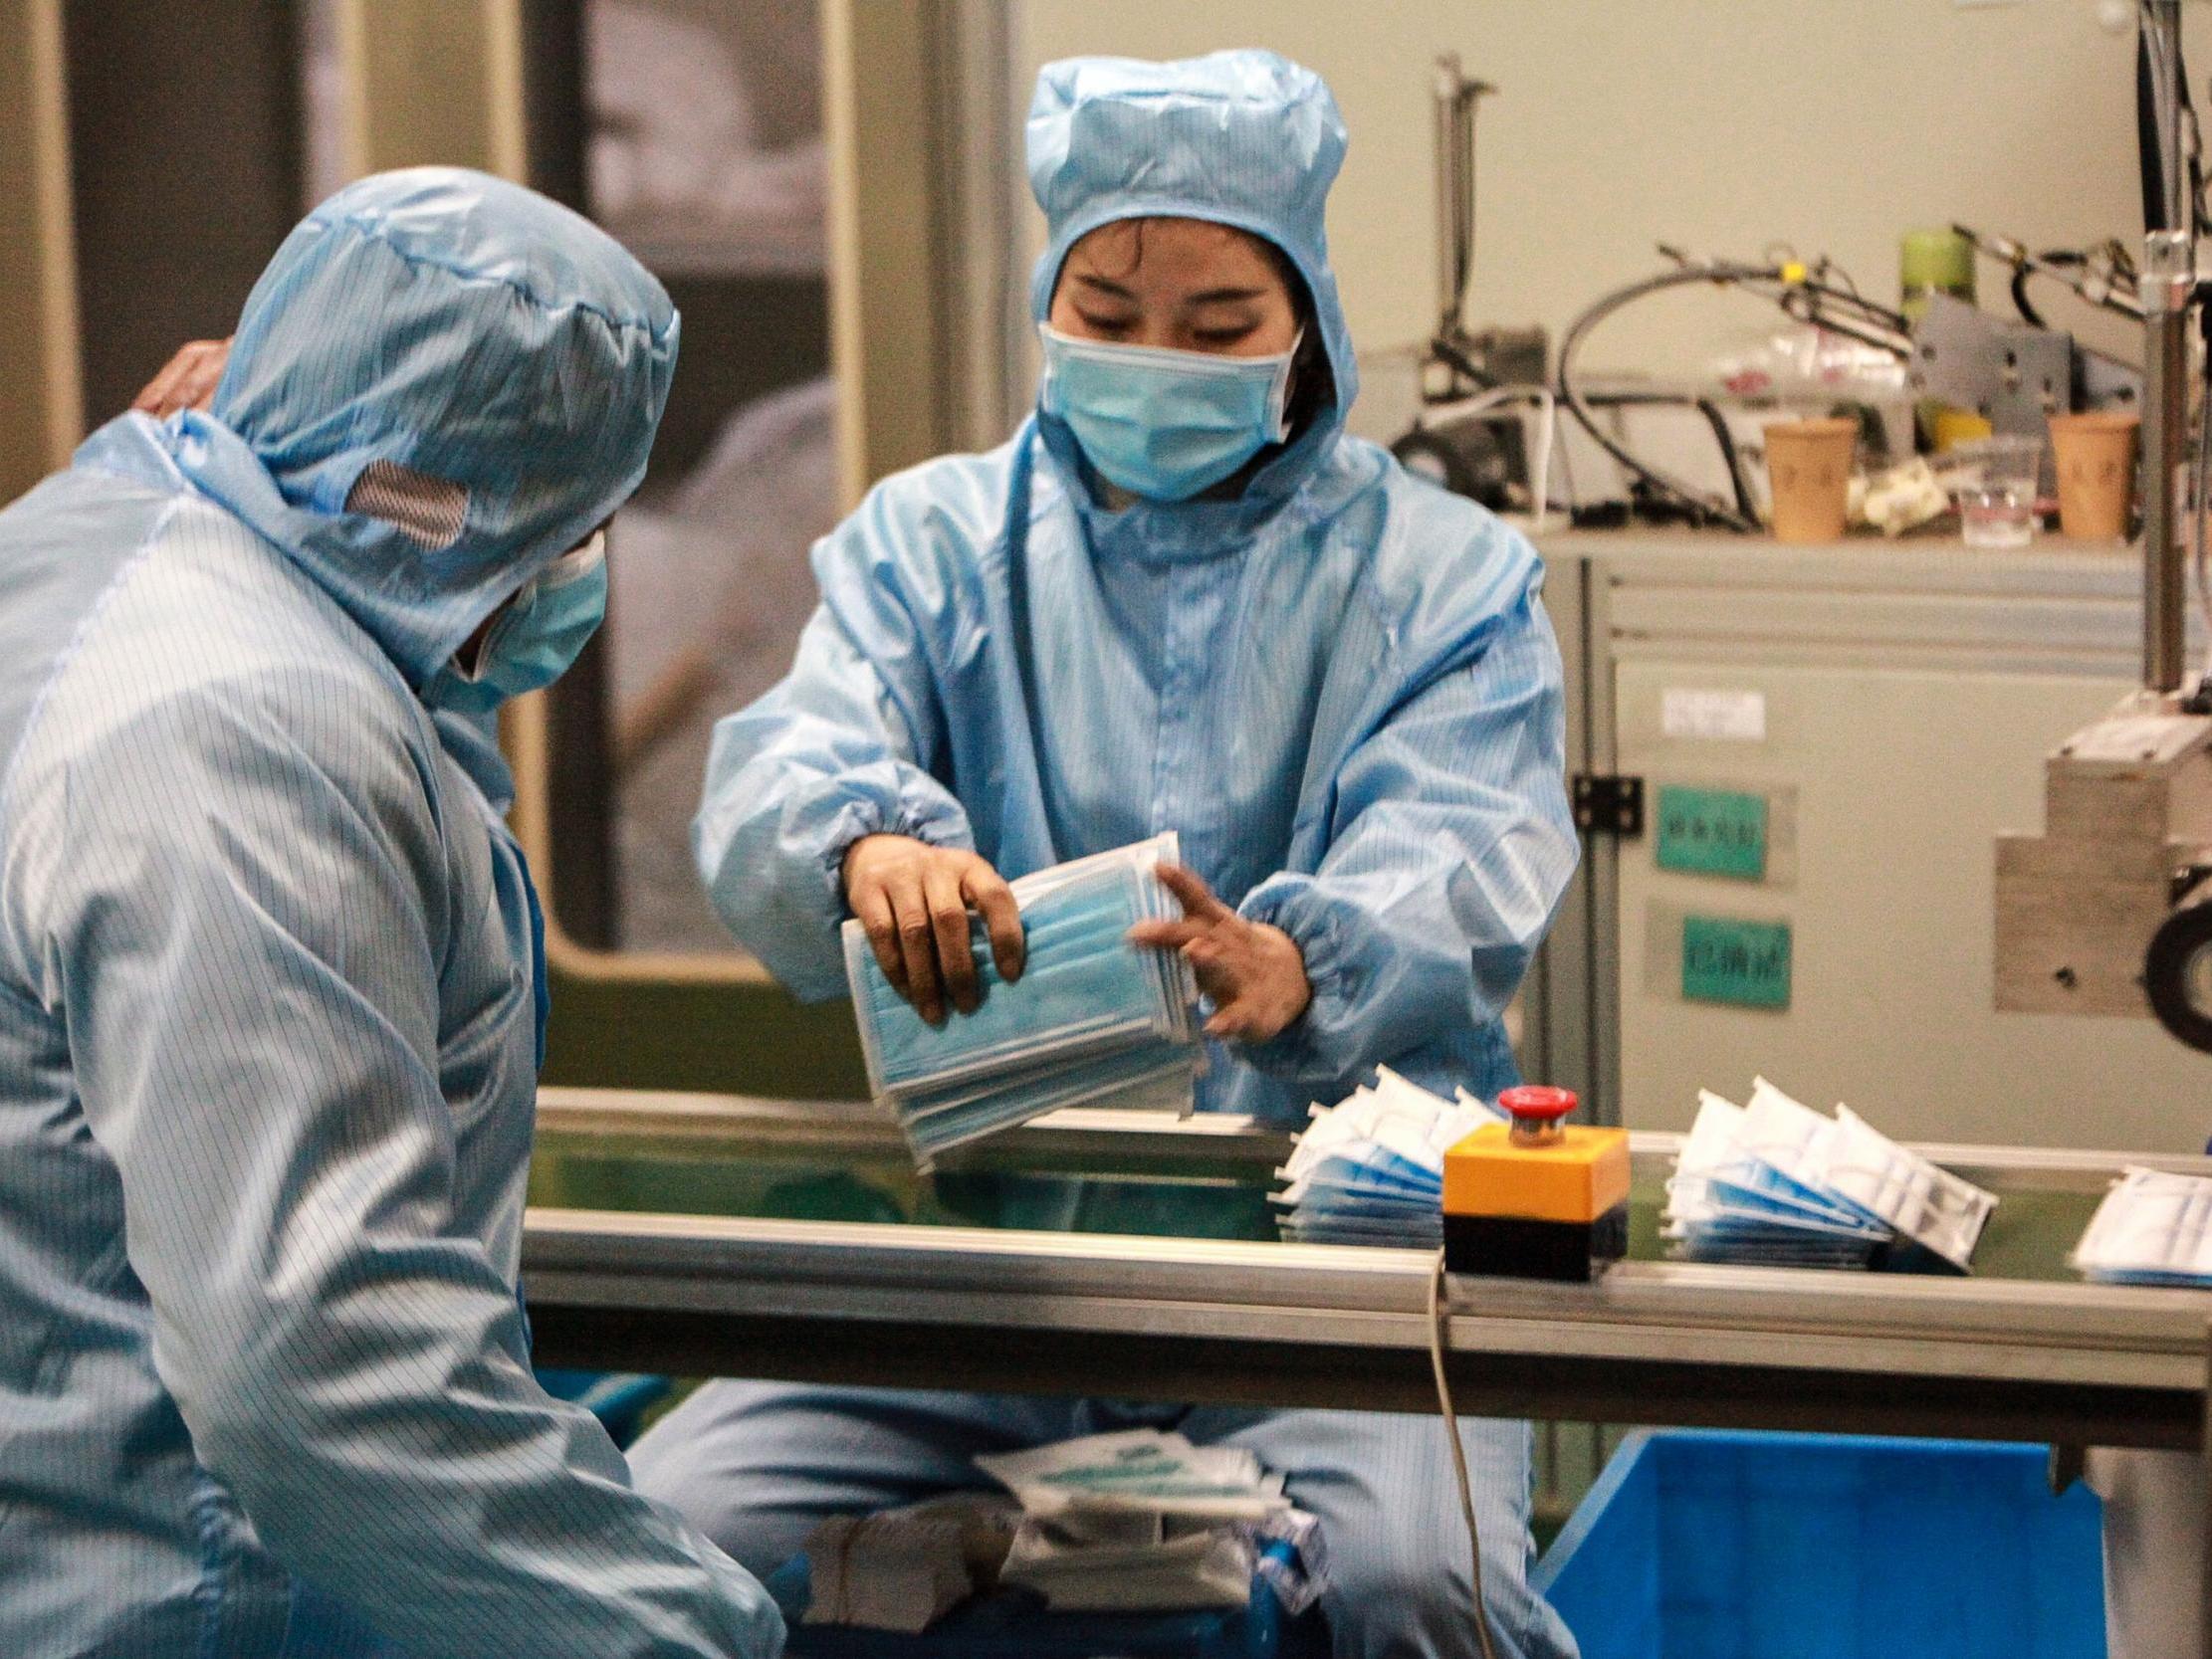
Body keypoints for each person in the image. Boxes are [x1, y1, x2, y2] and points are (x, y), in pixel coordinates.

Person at [633, 51, 1581, 1659]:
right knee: (663, 1545)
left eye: (1218, 330)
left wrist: (1306, 963)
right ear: (1045, 303)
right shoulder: (927, 545)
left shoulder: (1439, 579)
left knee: (1424, 1593)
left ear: (1307, 330)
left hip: (1325, 1273)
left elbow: (1465, 845)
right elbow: (786, 765)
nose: (1159, 361)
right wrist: (863, 844)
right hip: (985, 1268)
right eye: (1110, 313)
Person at [0, 169, 781, 1658]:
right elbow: (314, 1360)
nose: (578, 578)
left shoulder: (90, 553)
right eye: (573, 531)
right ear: (469, 508)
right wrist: (679, 1630)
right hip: (163, 1590)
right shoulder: (249, 732)